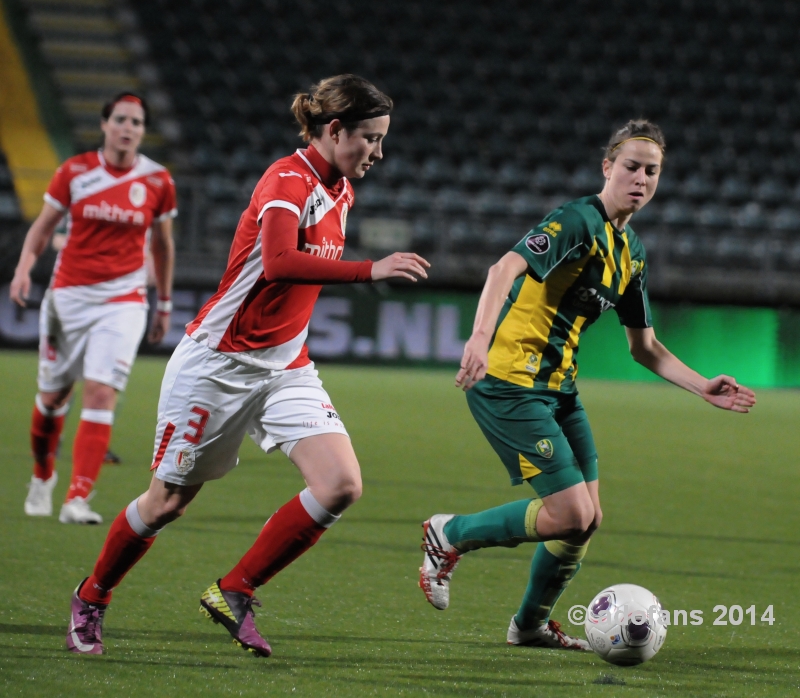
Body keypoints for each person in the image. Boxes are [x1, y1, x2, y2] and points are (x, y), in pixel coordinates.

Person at [65, 74, 430, 657]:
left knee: (340, 485)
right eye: (370, 138)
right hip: (219, 365)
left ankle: (234, 590)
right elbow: (282, 262)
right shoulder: (286, 179)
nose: (378, 153)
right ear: (334, 130)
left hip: (285, 367)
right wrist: (370, 269)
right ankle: (92, 596)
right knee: (167, 503)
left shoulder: (341, 189)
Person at [419, 120, 757, 650]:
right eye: (631, 166)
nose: (641, 178)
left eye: (652, 170)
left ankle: (529, 625)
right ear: (607, 167)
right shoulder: (578, 220)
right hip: (508, 381)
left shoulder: (632, 252)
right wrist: (480, 338)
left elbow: (644, 346)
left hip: (560, 391)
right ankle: (449, 534)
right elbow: (503, 268)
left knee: (585, 522)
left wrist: (702, 386)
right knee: (570, 512)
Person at [11, 92, 176, 524]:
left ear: (142, 131)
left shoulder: (158, 180)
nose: (128, 128)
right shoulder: (76, 171)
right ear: (105, 125)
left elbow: (163, 245)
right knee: (53, 398)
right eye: (120, 119)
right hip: (68, 298)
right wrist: (24, 269)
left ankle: (77, 498)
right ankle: (42, 476)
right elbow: (43, 227)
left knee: (102, 390)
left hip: (123, 300)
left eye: (137, 122)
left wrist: (164, 303)